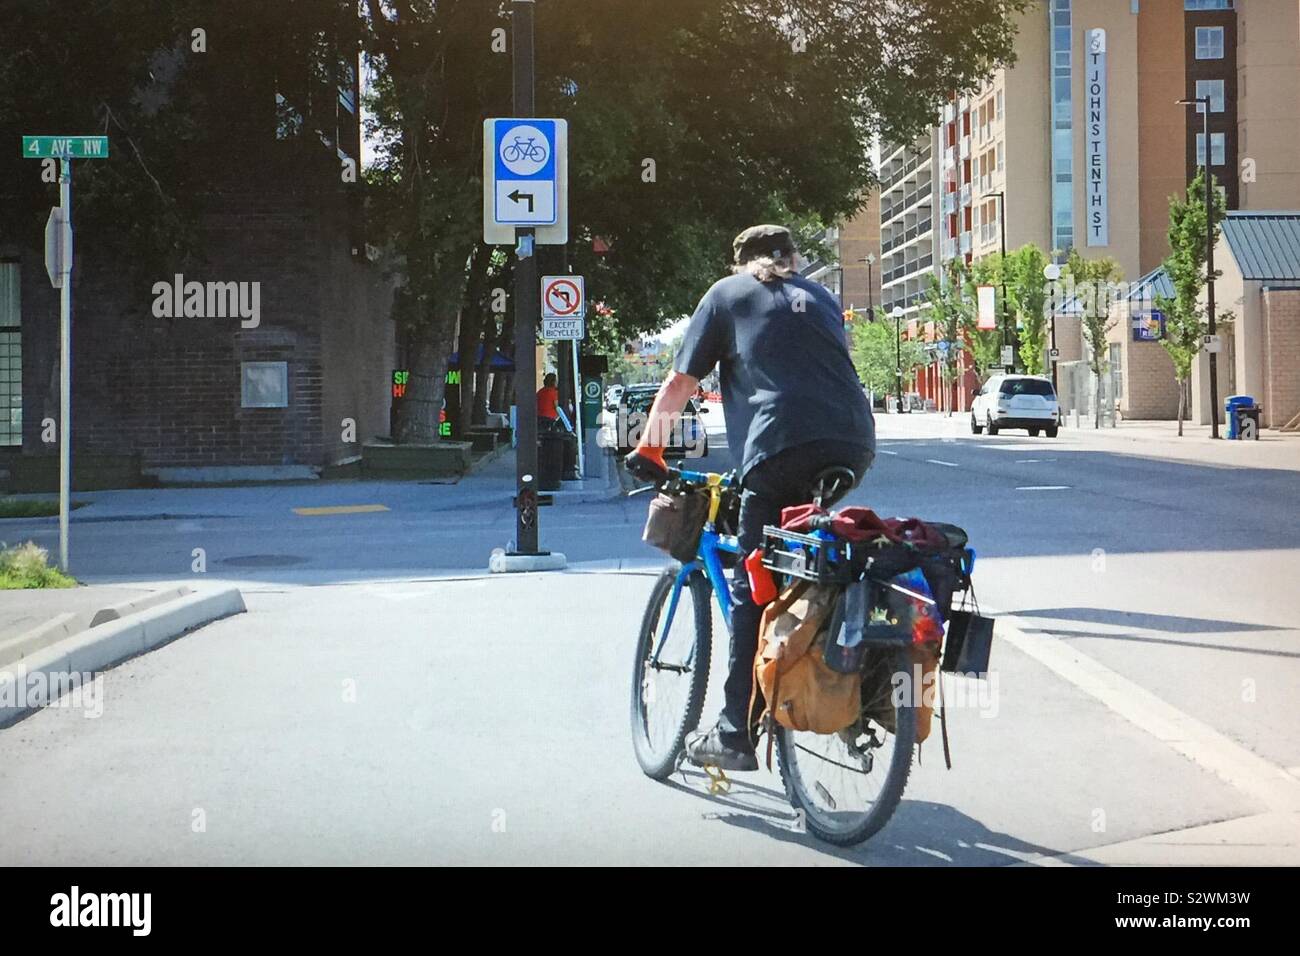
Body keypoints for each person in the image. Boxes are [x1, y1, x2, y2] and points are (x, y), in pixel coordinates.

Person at [626, 224, 875, 772]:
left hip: (781, 445)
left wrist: (650, 450)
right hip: (854, 442)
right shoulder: (823, 296)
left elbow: (680, 384)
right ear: (793, 258)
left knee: (750, 586)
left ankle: (735, 734)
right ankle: (808, 669)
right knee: (801, 559)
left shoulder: (726, 294)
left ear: (741, 261)